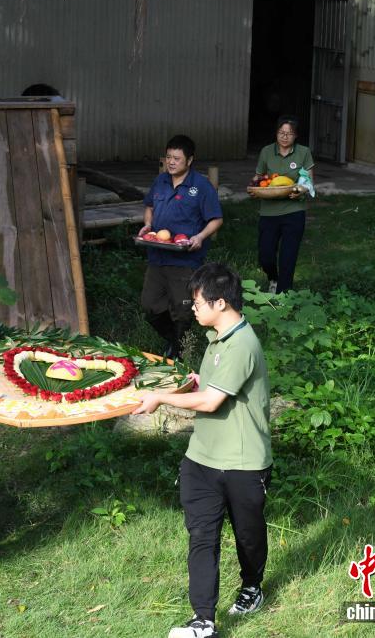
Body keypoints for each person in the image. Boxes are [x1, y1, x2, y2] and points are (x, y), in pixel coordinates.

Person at [133, 263, 272, 638]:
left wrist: (160, 398)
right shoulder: (216, 337)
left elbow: (211, 402)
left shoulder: (242, 343)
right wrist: (197, 380)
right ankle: (203, 621)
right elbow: (212, 386)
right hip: (202, 459)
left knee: (248, 535)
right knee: (202, 536)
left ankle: (251, 586)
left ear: (221, 302)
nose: (191, 307)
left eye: (197, 301)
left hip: (243, 462)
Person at [138, 134, 223, 359]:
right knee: (150, 306)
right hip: (157, 256)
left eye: (177, 158)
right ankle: (173, 339)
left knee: (183, 311)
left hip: (185, 259)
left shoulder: (201, 186)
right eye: (168, 157)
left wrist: (200, 237)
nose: (171, 162)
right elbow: (149, 206)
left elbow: (216, 219)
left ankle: (178, 352)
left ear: (190, 160)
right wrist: (148, 225)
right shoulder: (161, 181)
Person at [250, 116, 315, 294]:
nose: (285, 137)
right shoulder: (266, 152)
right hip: (269, 212)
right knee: (266, 256)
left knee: (288, 257)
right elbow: (259, 177)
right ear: (276, 133)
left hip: (294, 211)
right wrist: (255, 188)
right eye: (281, 133)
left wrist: (302, 190)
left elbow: (309, 182)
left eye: (289, 133)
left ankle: (284, 295)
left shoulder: (304, 152)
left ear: (295, 136)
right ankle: (273, 278)